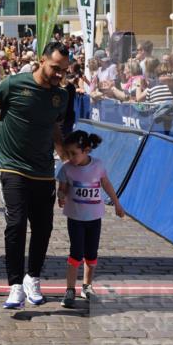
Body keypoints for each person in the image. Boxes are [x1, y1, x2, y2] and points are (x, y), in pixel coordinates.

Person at [0, 43, 71, 309]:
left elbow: (55, 128)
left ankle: (33, 277)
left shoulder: (62, 96)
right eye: (55, 68)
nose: (59, 75)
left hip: (43, 170)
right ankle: (15, 286)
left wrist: (65, 162)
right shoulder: (12, 85)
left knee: (44, 227)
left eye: (64, 71)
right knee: (17, 223)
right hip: (11, 166)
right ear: (42, 61)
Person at [56, 129, 124, 309]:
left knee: (91, 254)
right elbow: (62, 188)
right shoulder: (66, 169)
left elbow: (106, 184)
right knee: (76, 253)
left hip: (94, 218)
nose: (70, 157)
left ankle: (87, 287)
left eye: (74, 153)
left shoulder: (98, 165)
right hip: (76, 217)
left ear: (86, 150)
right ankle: (70, 289)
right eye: (68, 153)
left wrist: (117, 204)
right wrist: (61, 195)